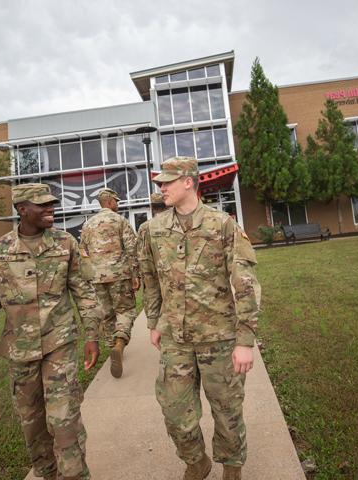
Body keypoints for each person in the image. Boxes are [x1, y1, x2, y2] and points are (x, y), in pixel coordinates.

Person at [138, 157, 261, 480]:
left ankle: (232, 468)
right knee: (175, 410)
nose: (161, 187)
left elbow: (246, 283)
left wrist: (245, 340)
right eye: (160, 183)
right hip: (176, 339)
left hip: (219, 338)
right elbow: (149, 278)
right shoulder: (153, 230)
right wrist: (153, 322)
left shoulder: (222, 225)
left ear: (189, 182)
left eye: (167, 182)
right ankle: (196, 461)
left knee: (228, 411)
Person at [0, 183, 100, 480]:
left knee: (64, 420)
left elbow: (84, 292)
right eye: (41, 205)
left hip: (59, 343)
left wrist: (92, 335)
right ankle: (48, 472)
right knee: (33, 423)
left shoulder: (65, 244)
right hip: (20, 350)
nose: (50, 208)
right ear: (22, 209)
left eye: (51, 203)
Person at [79, 188, 140, 378]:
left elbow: (83, 252)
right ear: (110, 202)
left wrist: (90, 275)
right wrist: (135, 274)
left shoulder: (88, 225)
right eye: (117, 201)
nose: (118, 204)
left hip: (97, 277)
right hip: (119, 274)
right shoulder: (120, 221)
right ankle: (120, 341)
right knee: (126, 309)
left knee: (106, 313)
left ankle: (112, 346)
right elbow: (132, 248)